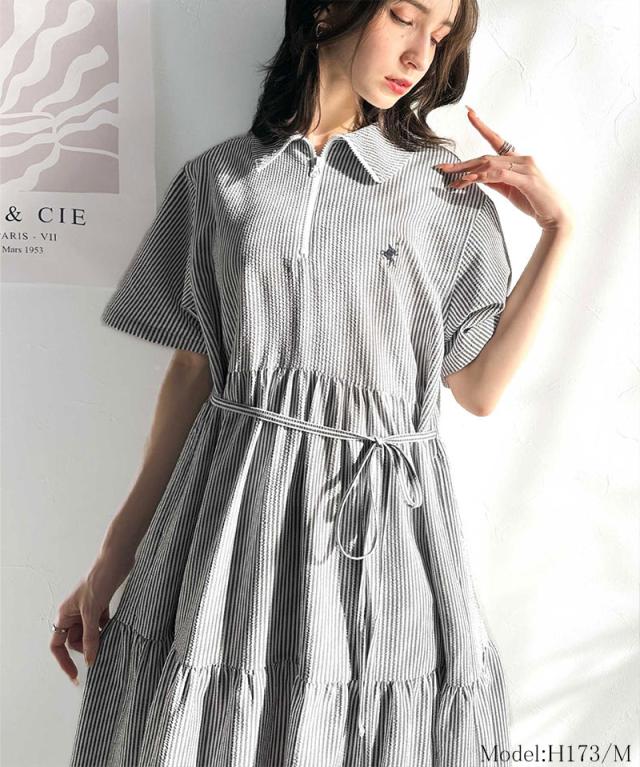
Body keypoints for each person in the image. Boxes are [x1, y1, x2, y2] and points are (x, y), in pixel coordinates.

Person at [53, 1, 574, 765]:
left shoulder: (444, 194)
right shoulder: (221, 180)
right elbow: (192, 371)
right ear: (330, 8)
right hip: (230, 524)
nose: (420, 55)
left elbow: (478, 389)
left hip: (381, 532)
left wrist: (557, 232)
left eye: (438, 38)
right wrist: (111, 559)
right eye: (404, 16)